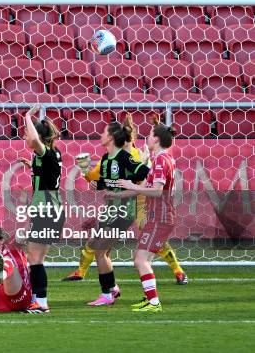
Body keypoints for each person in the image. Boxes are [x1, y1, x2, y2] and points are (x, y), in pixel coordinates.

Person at [67, 115, 188, 285]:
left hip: (140, 204)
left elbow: (148, 182)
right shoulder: (112, 158)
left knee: (147, 241)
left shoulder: (138, 157)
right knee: (100, 243)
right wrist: (88, 172)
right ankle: (82, 273)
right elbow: (96, 179)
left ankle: (177, 271)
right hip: (119, 205)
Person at [118, 117, 178, 312]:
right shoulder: (161, 158)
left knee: (140, 260)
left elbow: (157, 191)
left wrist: (132, 185)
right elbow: (151, 186)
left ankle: (154, 303)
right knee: (142, 259)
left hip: (160, 216)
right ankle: (149, 299)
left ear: (157, 139)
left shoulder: (161, 160)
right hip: (157, 215)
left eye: (151, 135)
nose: (147, 137)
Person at [87, 120, 149, 306]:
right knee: (98, 248)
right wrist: (97, 185)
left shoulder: (124, 157)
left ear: (111, 137)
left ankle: (107, 294)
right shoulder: (106, 159)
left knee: (99, 250)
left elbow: (143, 175)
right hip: (109, 210)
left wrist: (144, 163)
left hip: (123, 211)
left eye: (104, 132)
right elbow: (107, 182)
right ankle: (112, 289)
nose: (100, 135)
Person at [18, 105, 62, 313]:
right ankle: (37, 299)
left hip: (47, 208)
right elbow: (47, 173)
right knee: (35, 257)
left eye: (26, 132)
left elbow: (35, 142)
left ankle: (41, 302)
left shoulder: (44, 151)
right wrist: (31, 166)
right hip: (50, 207)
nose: (25, 137)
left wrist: (27, 116)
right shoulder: (47, 155)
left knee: (35, 258)